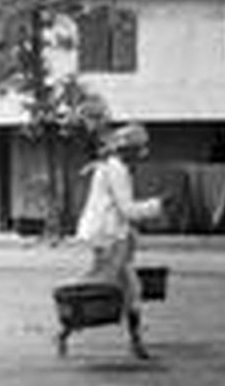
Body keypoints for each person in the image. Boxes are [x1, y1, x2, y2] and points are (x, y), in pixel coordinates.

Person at [61, 123, 163, 359]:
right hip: (109, 237)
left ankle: (135, 342)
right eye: (138, 150)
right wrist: (156, 206)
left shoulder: (111, 167)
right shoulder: (116, 170)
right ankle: (66, 321)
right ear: (128, 149)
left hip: (108, 235)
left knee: (126, 287)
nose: (140, 156)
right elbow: (127, 210)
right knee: (110, 287)